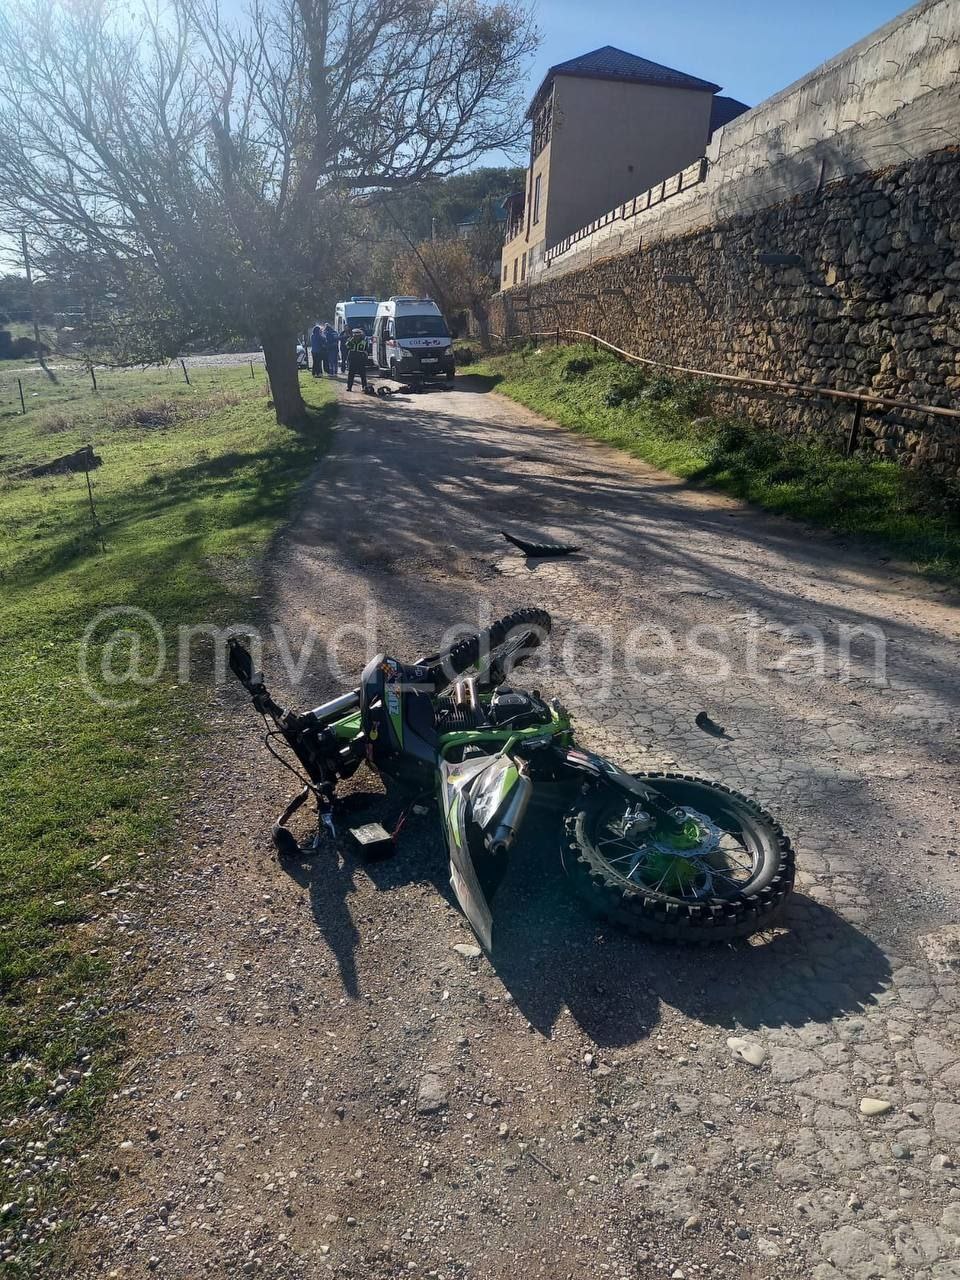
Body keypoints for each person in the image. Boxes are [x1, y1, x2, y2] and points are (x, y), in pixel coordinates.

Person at [345, 327, 369, 392]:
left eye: (358, 335)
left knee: (363, 374)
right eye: (355, 335)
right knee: (351, 374)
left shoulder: (364, 341)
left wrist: (365, 358)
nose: (356, 337)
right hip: (352, 358)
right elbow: (347, 346)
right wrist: (351, 340)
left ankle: (364, 387)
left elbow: (366, 350)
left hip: (360, 358)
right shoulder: (350, 340)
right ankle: (349, 387)